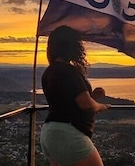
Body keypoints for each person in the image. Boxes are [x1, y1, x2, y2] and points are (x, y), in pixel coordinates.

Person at [40, 25, 110, 166]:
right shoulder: (68, 71)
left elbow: (66, 103)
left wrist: (92, 96)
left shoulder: (49, 72)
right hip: (67, 133)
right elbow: (85, 104)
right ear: (71, 46)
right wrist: (100, 106)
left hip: (49, 133)